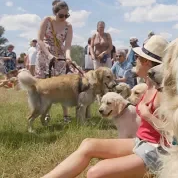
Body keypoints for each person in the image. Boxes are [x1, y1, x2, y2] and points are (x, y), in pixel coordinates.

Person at [42, 35, 168, 178]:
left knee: (96, 173)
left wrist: (147, 115)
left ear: (146, 62)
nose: (134, 60)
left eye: (137, 58)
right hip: (140, 141)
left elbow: (174, 134)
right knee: (88, 144)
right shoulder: (146, 86)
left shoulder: (164, 92)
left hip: (156, 150)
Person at [36, 0, 73, 123]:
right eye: (61, 15)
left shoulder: (68, 26)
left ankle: (66, 116)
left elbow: (67, 45)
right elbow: (40, 39)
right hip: (44, 55)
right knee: (45, 86)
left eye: (66, 15)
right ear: (55, 13)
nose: (64, 17)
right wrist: (49, 54)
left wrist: (68, 57)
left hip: (60, 56)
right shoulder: (47, 20)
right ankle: (45, 114)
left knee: (62, 86)